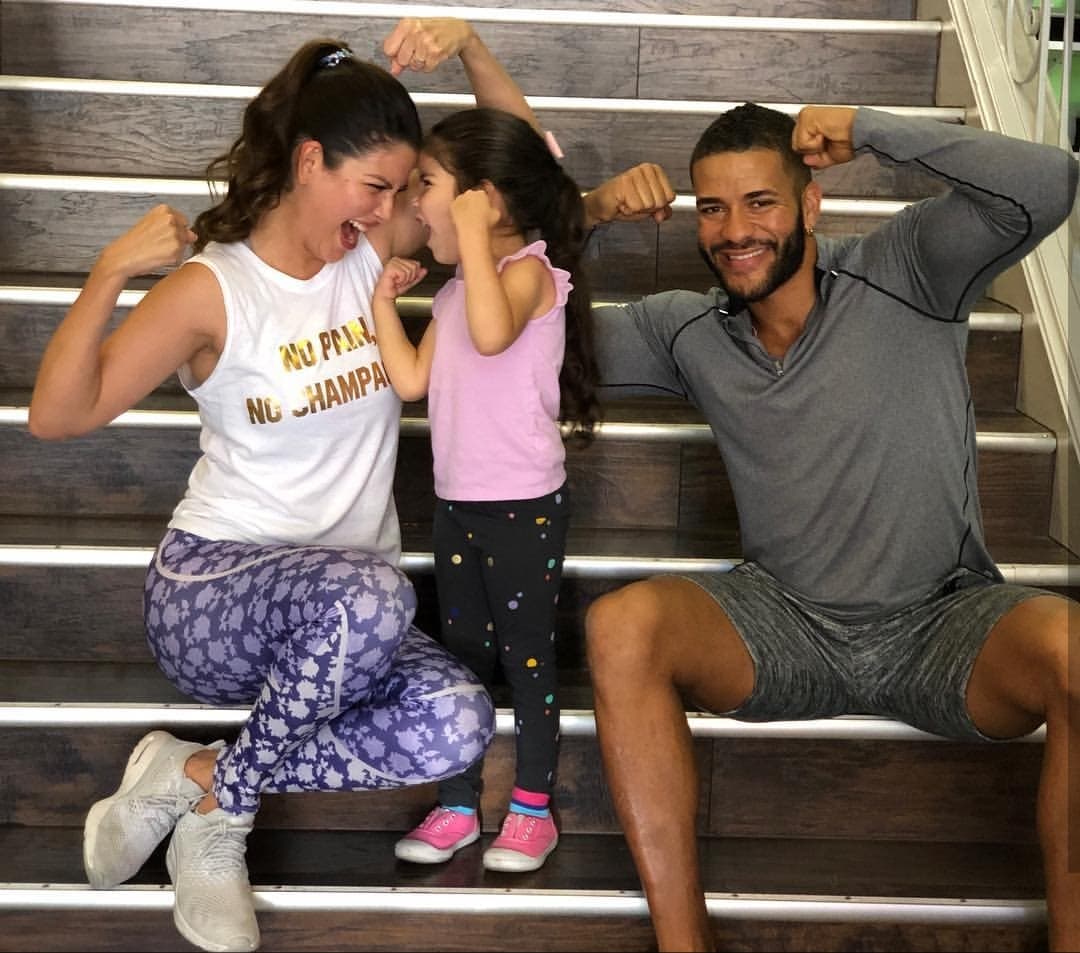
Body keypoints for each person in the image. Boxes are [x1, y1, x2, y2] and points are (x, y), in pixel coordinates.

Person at [28, 18, 540, 953]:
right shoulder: (213, 289)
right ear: (309, 161)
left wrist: (470, 46)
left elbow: (519, 176)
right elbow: (59, 415)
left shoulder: (364, 246)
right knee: (375, 591)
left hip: (347, 621)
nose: (388, 207)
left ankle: (195, 778)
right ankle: (222, 826)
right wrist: (109, 272)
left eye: (397, 190)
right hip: (215, 594)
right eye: (373, 187)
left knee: (459, 722)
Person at [578, 103, 1080, 951]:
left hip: (941, 621)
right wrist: (585, 215)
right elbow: (536, 341)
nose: (736, 231)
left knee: (1075, 649)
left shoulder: (908, 267)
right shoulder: (687, 330)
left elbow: (1050, 182)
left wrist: (873, 128)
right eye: (712, 208)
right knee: (619, 624)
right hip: (786, 624)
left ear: (811, 204)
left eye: (761, 203)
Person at [369, 105, 598, 872]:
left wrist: (471, 234)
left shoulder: (529, 273)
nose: (412, 203)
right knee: (461, 660)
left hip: (524, 506)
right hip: (457, 505)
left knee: (527, 656)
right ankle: (459, 804)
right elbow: (408, 380)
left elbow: (497, 333)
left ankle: (532, 807)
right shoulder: (452, 294)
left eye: (426, 184)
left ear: (484, 199)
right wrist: (379, 299)